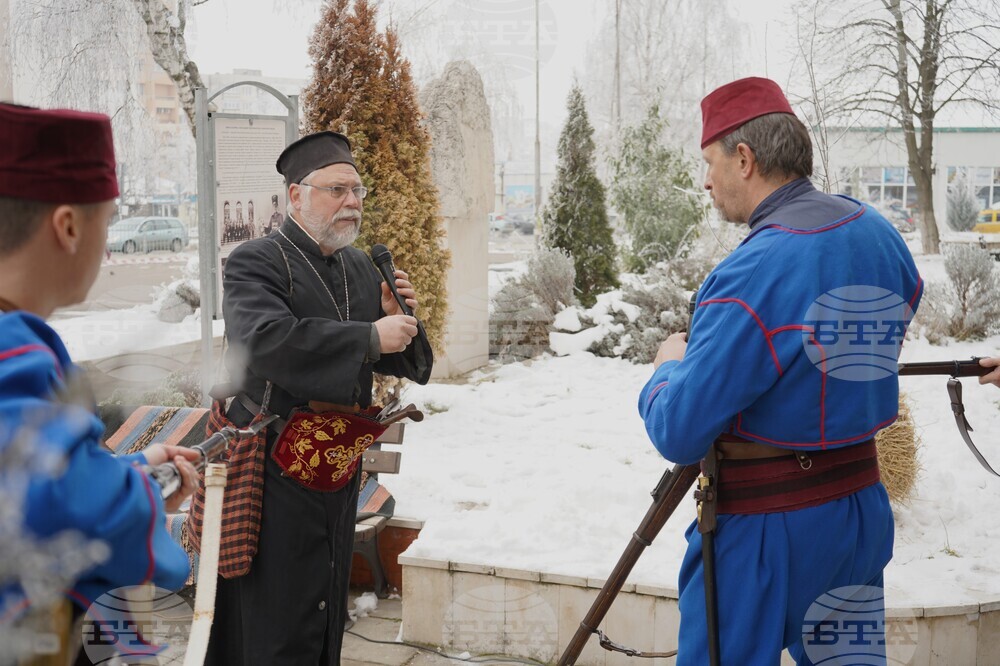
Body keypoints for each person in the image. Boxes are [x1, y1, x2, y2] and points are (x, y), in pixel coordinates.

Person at [638, 78, 923, 664]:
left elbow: (679, 430)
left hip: (766, 530)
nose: (706, 181)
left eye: (710, 163)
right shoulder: (879, 234)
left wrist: (668, 367)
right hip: (858, 513)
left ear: (744, 158)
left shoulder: (752, 273)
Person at [206, 130, 433, 665]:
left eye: (357, 190)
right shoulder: (254, 262)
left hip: (334, 464)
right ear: (296, 195)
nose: (351, 201)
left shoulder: (359, 265)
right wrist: (369, 336)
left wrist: (399, 318)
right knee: (277, 609)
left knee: (326, 600)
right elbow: (263, 341)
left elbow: (405, 361)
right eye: (336, 190)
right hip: (273, 468)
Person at [0, 103, 199, 660]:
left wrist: (138, 466)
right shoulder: (13, 345)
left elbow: (28, 476)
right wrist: (145, 495)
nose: (106, 243)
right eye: (107, 221)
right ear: (67, 226)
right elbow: (69, 509)